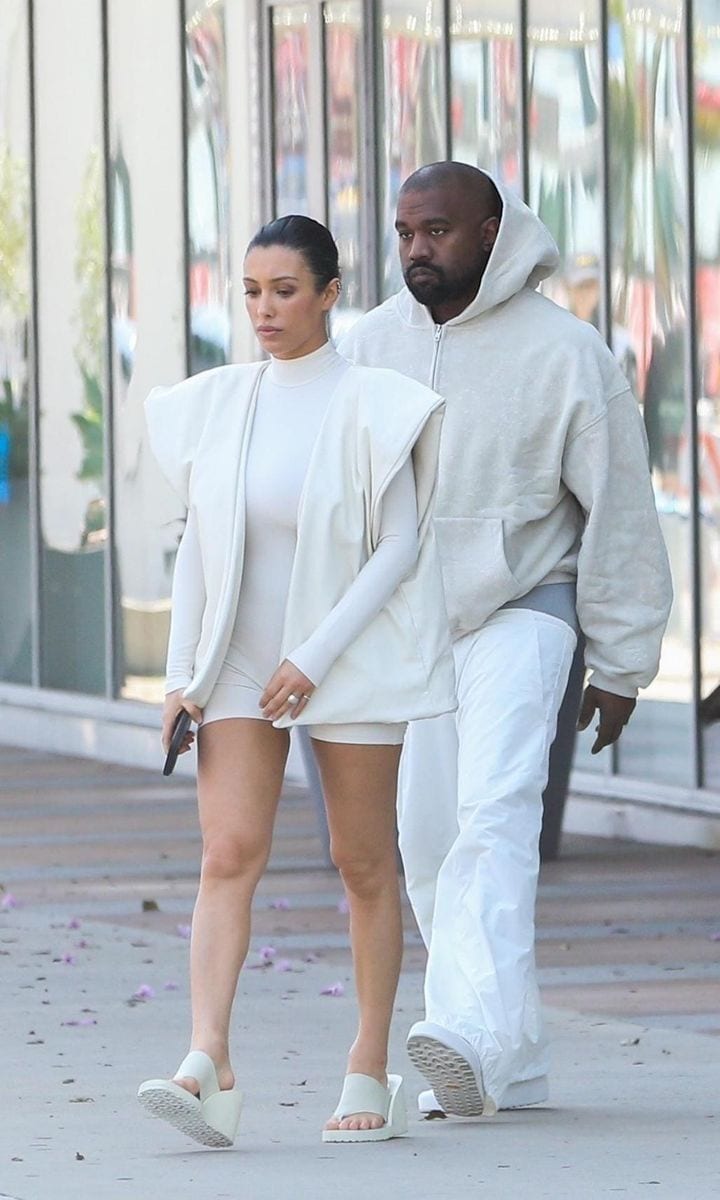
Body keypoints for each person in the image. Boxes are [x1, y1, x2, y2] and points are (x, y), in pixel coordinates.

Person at [338, 162, 673, 1118]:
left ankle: (468, 1036)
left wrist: (622, 660)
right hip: (412, 627)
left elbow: (619, 506)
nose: (416, 249)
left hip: (528, 604)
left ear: (492, 230)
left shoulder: (565, 352)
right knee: (427, 840)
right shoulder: (370, 346)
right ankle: (512, 1056)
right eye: (405, 232)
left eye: (437, 231)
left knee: (495, 816)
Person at [136, 214, 455, 1146]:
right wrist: (182, 674)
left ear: (328, 293)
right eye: (251, 292)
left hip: (342, 658)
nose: (264, 310)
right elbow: (199, 543)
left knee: (363, 864)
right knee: (226, 853)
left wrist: (312, 657)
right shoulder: (221, 401)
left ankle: (369, 1063)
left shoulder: (373, 403)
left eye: (284, 291)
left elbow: (399, 545)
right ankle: (207, 1062)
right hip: (239, 660)